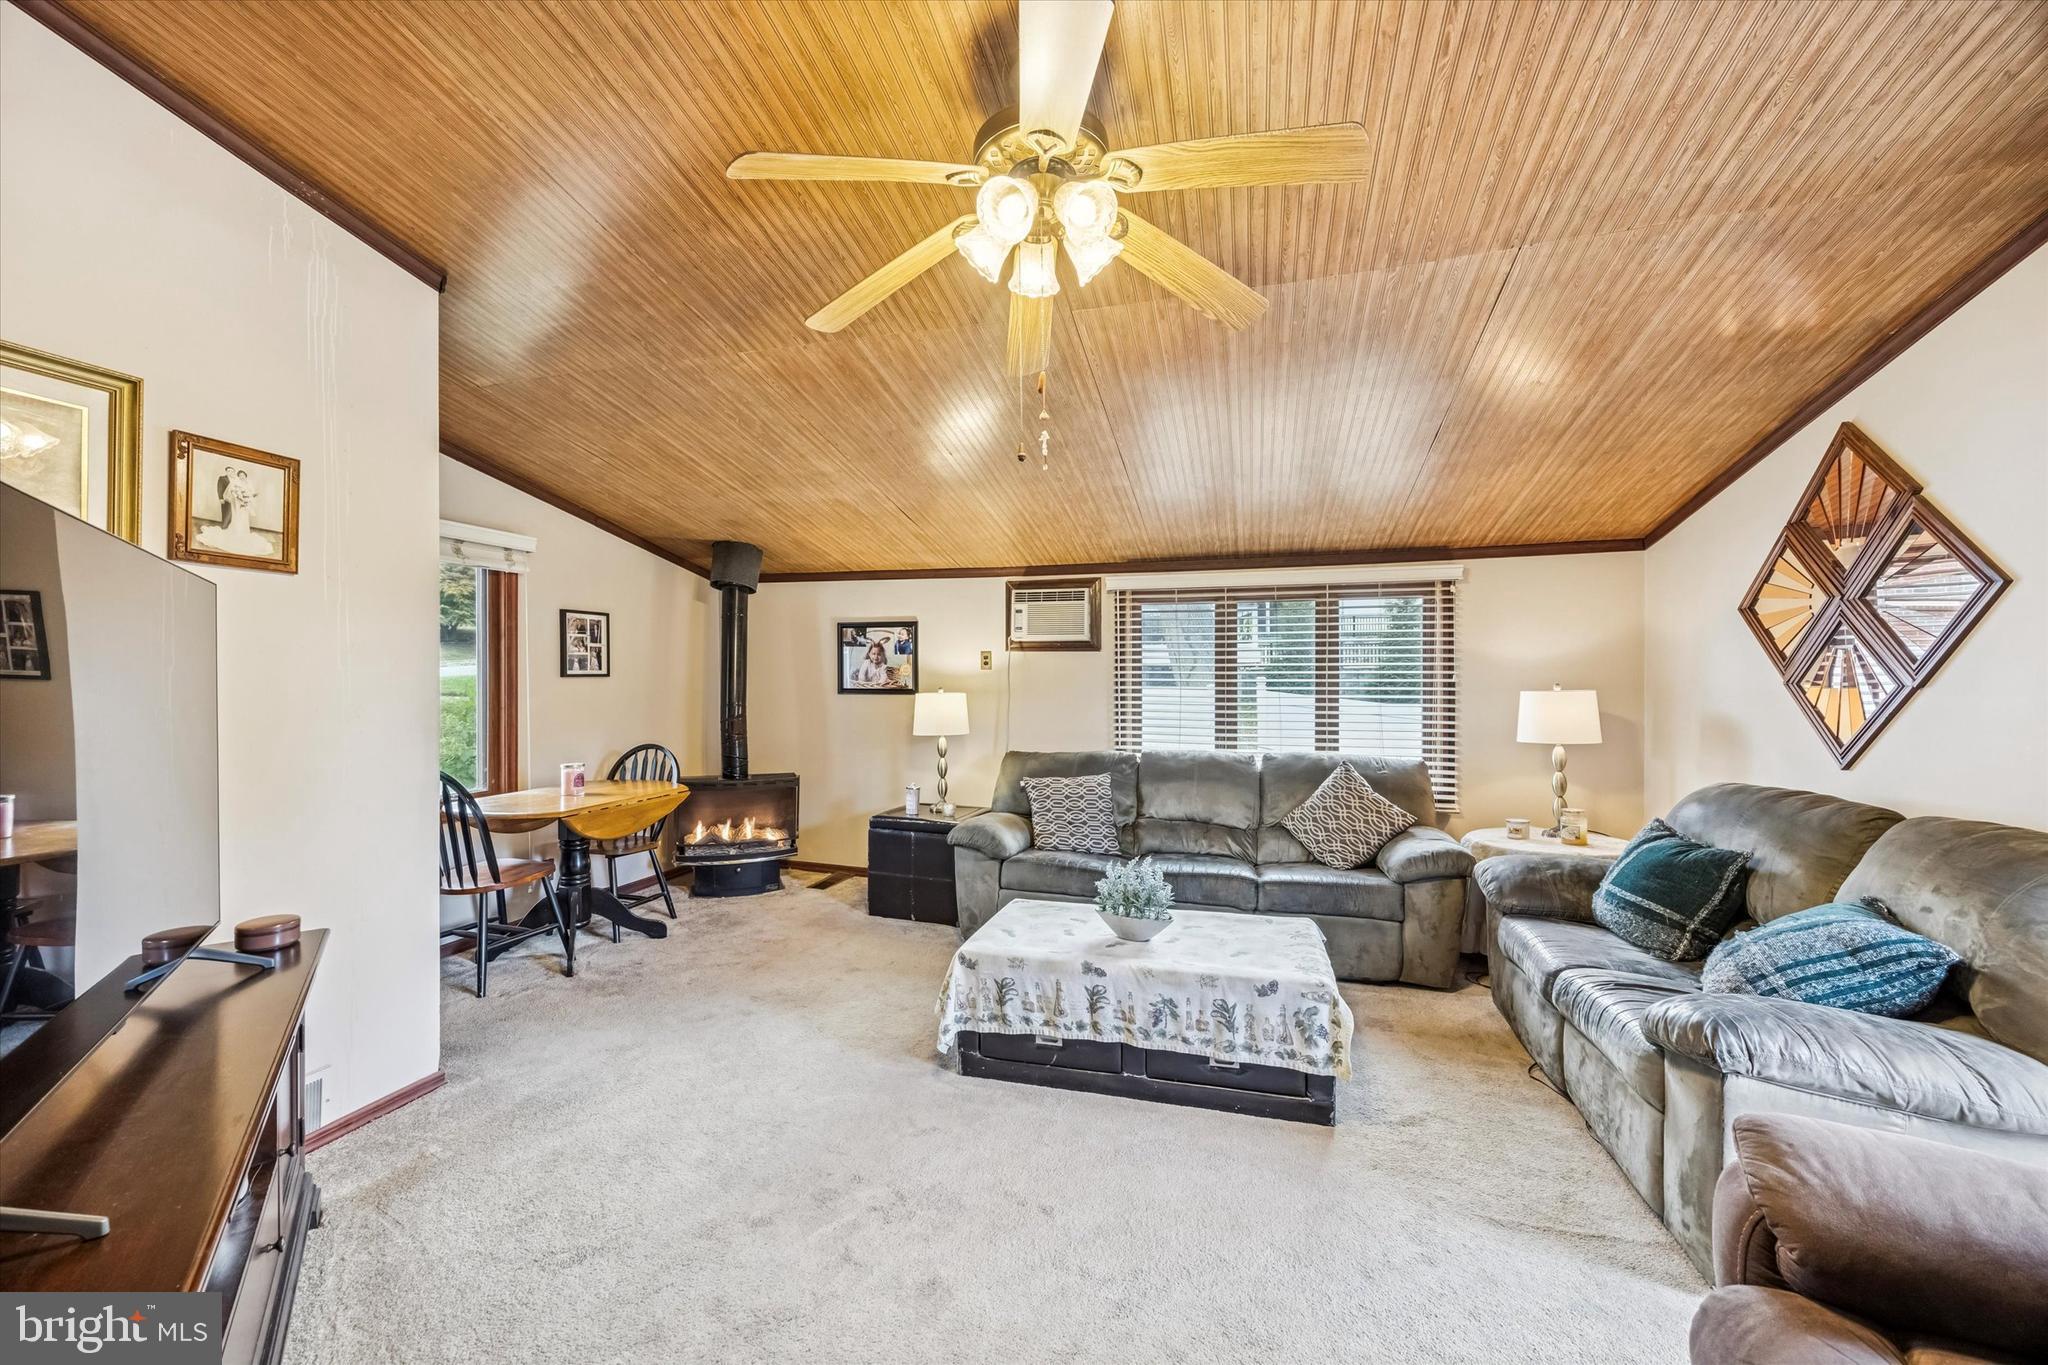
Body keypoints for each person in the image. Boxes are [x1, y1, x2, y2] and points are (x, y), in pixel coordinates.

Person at [193, 463, 276, 556]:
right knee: (236, 517)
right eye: (240, 475)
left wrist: (248, 498)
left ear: (245, 476)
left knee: (244, 518)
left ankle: (243, 533)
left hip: (244, 506)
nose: (241, 477)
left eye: (243, 475)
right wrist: (238, 496)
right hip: (237, 504)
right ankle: (234, 531)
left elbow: (251, 494)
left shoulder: (248, 483)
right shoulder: (235, 483)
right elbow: (231, 492)